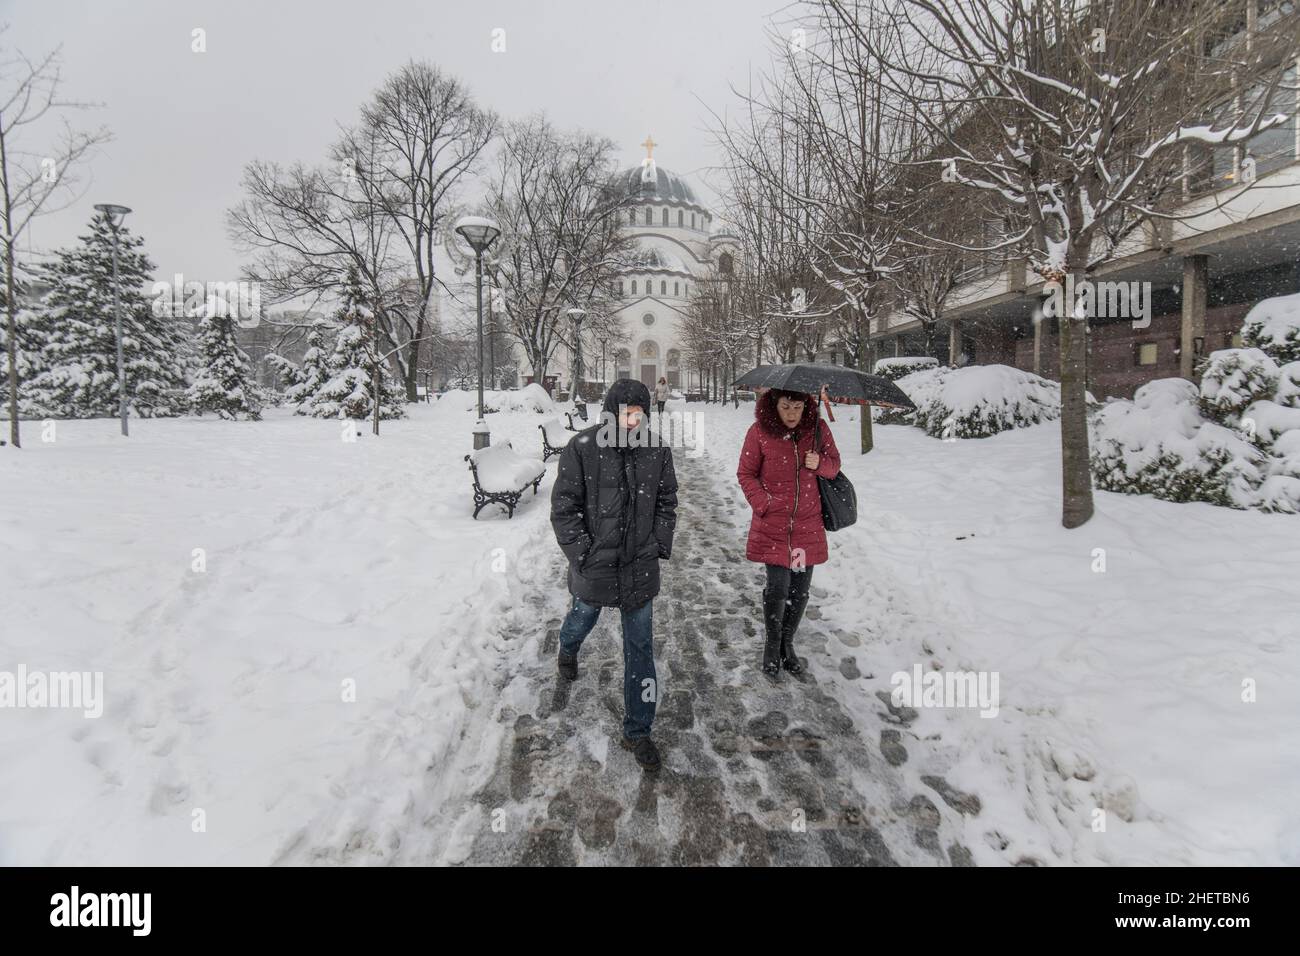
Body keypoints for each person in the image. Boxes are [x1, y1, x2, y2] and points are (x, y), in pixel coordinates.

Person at [550, 378, 678, 771]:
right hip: (596, 565)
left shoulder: (656, 450)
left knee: (639, 649)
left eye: (638, 412)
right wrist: (583, 555)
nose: (631, 419)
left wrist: (657, 541)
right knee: (580, 619)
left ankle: (638, 730)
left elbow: (666, 500)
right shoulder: (583, 448)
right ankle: (567, 649)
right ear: (611, 411)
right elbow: (564, 508)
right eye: (625, 411)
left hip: (639, 568)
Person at [736, 388, 842, 677]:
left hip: (806, 527)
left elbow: (834, 465)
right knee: (778, 588)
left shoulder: (817, 429)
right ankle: (772, 646)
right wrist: (764, 503)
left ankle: (787, 644)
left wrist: (819, 463)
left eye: (797, 407)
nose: (792, 414)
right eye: (786, 407)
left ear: (806, 406)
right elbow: (745, 473)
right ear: (775, 406)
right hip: (774, 526)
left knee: (799, 590)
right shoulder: (759, 432)